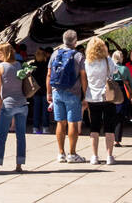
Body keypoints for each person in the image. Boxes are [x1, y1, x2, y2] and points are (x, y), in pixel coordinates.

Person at [47, 30, 90, 164]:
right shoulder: (78, 56)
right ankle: (72, 153)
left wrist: (49, 93)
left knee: (60, 122)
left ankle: (61, 153)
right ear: (76, 41)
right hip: (73, 92)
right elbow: (83, 77)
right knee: (72, 122)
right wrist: (85, 94)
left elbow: (49, 75)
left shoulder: (55, 54)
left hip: (57, 91)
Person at [0, 42, 29, 172]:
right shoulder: (18, 64)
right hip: (22, 104)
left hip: (8, 104)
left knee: (2, 135)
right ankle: (19, 164)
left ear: (4, 53)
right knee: (21, 135)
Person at [82, 37, 116, 165]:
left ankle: (94, 156)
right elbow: (115, 71)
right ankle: (109, 156)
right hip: (107, 97)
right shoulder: (108, 61)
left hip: (92, 97)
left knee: (94, 128)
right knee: (109, 128)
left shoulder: (87, 62)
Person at [27, 48, 50, 134]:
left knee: (36, 110)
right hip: (45, 90)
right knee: (45, 110)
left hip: (36, 90)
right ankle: (45, 127)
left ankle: (35, 128)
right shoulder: (47, 65)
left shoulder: (32, 65)